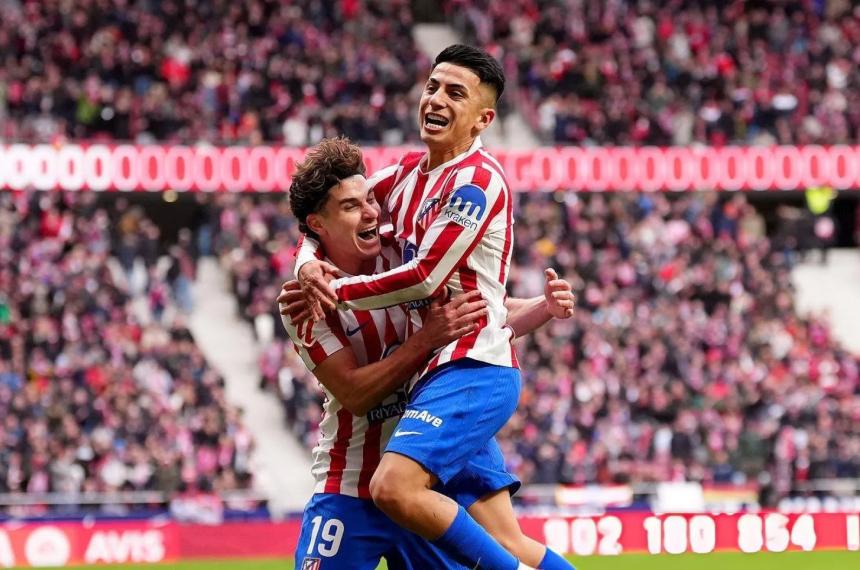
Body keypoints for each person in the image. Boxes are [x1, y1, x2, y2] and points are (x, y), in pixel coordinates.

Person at [286, 46, 574, 570]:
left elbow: (427, 280)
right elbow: (480, 304)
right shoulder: (403, 182)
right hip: (394, 431)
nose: (436, 99)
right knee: (508, 539)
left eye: (455, 93)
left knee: (399, 489)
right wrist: (307, 264)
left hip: (466, 376)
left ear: (484, 119)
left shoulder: (476, 181)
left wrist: (337, 289)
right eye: (433, 87)